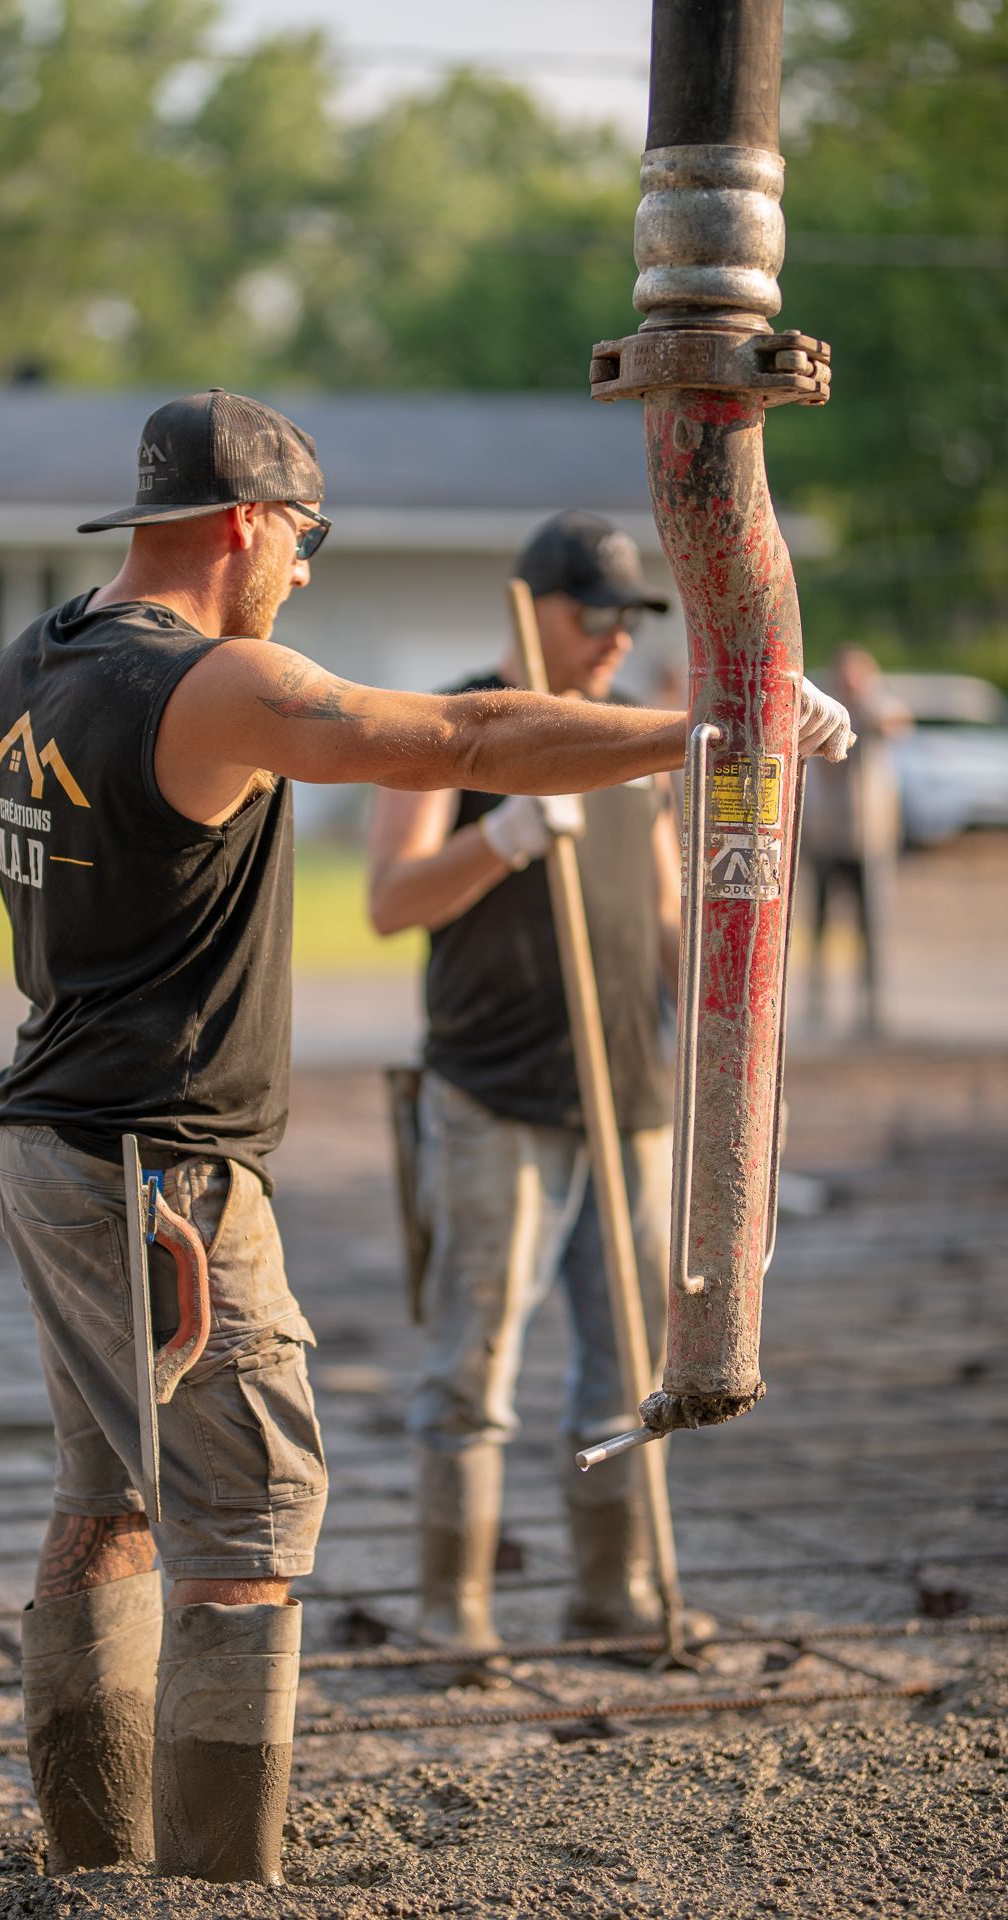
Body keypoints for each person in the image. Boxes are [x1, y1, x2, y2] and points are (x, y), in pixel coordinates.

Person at [0, 392, 852, 1885]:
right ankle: (211, 1881)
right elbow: (459, 734)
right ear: (245, 521)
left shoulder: (28, 666)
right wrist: (710, 729)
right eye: (303, 539)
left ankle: (89, 1857)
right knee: (250, 1512)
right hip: (158, 1170)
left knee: (108, 1495)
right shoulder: (212, 686)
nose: (305, 570)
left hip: (46, 1136)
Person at [368, 511, 696, 1651]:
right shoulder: (440, 731)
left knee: (625, 1373)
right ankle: (450, 1618)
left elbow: (662, 916)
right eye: (592, 614)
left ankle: (614, 1599)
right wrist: (497, 838)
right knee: (471, 1375)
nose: (613, 638)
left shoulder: (626, 740)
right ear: (532, 607)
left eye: (628, 617)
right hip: (494, 1097)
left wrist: (728, 1026)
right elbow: (388, 902)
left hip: (630, 1100)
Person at [801, 647, 910, 1035]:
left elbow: (898, 724)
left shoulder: (875, 708)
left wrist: (865, 700)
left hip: (868, 839)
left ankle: (872, 1007)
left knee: (872, 928)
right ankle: (817, 1004)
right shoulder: (821, 710)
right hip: (826, 836)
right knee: (819, 927)